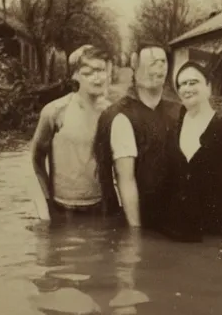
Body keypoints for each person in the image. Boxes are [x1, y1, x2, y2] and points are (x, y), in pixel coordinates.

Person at [93, 42, 180, 230]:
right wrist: (135, 234)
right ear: (135, 64)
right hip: (136, 220)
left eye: (162, 62)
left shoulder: (177, 110)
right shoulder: (120, 115)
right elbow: (126, 180)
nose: (158, 68)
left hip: (173, 218)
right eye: (152, 62)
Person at [164, 60, 222, 242]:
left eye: (193, 82)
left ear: (209, 87)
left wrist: (218, 198)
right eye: (182, 84)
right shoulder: (173, 126)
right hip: (180, 225)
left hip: (217, 224)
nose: (187, 88)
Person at [30, 44, 111, 218]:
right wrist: (47, 203)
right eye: (88, 73)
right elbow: (36, 160)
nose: (97, 78)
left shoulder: (112, 114)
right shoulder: (55, 111)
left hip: (100, 207)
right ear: (75, 75)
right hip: (62, 208)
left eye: (102, 70)